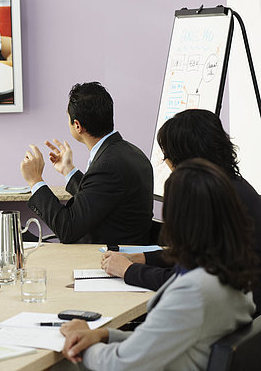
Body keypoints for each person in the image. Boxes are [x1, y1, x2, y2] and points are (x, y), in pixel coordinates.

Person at [61, 159, 257, 370]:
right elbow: (157, 341)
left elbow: (120, 364)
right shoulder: (228, 272)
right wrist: (104, 335)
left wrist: (79, 341)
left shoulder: (194, 291)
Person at [102, 109, 261, 315]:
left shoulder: (212, 200)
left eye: (168, 157)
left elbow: (188, 282)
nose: (168, 165)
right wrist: (144, 258)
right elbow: (197, 257)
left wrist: (128, 270)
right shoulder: (234, 186)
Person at [20, 82, 153, 244]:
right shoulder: (129, 152)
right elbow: (97, 198)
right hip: (112, 247)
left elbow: (67, 229)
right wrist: (68, 170)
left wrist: (35, 180)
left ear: (77, 125)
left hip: (105, 257)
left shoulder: (108, 165)